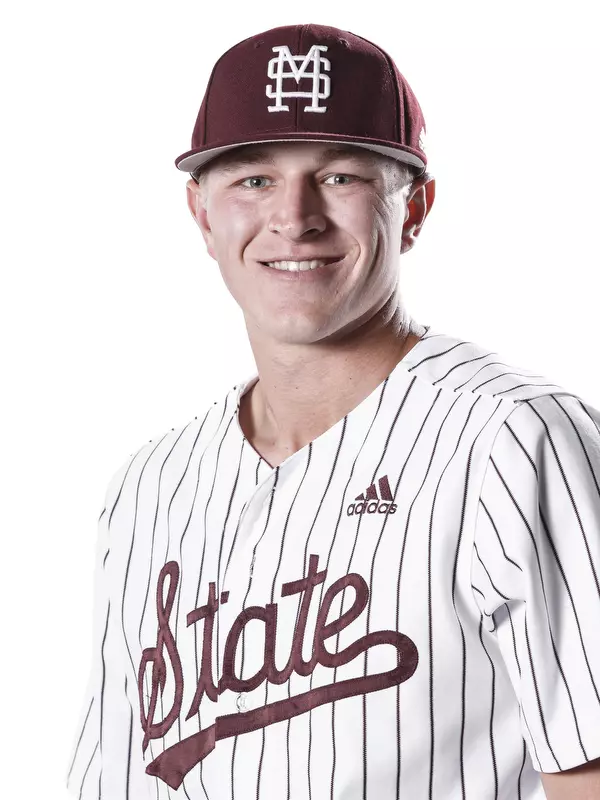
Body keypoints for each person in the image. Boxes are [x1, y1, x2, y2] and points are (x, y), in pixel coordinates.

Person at [66, 22, 600, 800]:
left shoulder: (512, 441)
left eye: (342, 176)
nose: (295, 216)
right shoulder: (149, 486)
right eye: (252, 179)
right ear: (201, 214)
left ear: (414, 207)